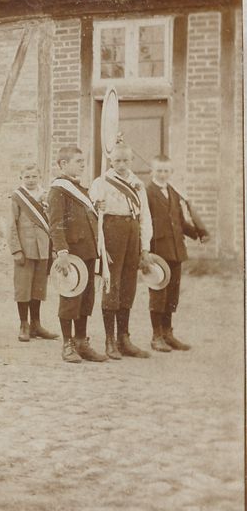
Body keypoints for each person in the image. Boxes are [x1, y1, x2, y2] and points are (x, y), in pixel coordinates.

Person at [89, 143, 153, 360]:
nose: (122, 165)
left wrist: (145, 247)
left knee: (128, 285)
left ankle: (123, 338)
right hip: (111, 232)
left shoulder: (137, 184)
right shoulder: (101, 182)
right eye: (117, 161)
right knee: (111, 283)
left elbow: (145, 216)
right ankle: (109, 339)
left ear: (131, 161)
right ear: (110, 161)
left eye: (126, 160)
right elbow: (92, 211)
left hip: (132, 232)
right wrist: (98, 205)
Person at [145, 154, 210, 352]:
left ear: (171, 172)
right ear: (152, 172)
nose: (163, 174)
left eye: (166, 171)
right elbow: (144, 223)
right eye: (159, 171)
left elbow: (180, 222)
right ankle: (156, 336)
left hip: (175, 250)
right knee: (158, 292)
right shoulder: (147, 192)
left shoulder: (174, 192)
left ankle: (168, 333)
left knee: (172, 293)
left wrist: (198, 234)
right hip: (157, 251)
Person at [49, 146, 107, 363]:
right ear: (63, 164)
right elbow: (56, 224)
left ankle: (82, 341)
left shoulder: (81, 190)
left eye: (84, 160)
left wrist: (97, 207)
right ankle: (68, 344)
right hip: (71, 253)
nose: (83, 164)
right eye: (78, 161)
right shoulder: (58, 190)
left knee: (86, 297)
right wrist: (61, 251)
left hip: (88, 251)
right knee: (70, 297)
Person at [9, 165, 59, 342]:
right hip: (25, 249)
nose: (31, 180)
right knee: (23, 288)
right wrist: (16, 249)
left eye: (34, 176)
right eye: (27, 176)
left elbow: (52, 222)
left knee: (38, 288)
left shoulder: (46, 196)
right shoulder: (18, 197)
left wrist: (53, 248)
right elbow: (12, 225)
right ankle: (24, 324)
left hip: (43, 248)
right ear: (21, 177)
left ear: (40, 177)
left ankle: (36, 324)